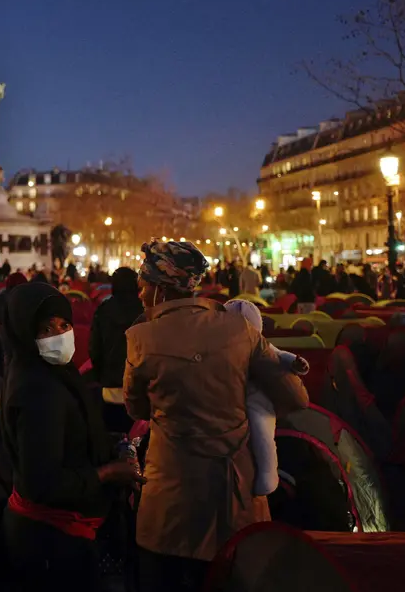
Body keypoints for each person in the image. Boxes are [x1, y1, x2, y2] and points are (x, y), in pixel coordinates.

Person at [125, 239, 308, 592]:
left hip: (171, 495)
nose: (140, 293)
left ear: (161, 289)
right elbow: (295, 396)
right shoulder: (241, 329)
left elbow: (137, 409)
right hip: (234, 490)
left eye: (143, 284)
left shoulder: (140, 337)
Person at [0, 281, 144, 589]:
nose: (59, 336)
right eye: (46, 329)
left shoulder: (37, 372)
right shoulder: (39, 391)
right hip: (51, 543)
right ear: (25, 332)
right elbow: (44, 483)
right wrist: (107, 473)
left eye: (64, 325)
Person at [224, 299, 311, 495]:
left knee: (262, 430)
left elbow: (280, 355)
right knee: (263, 433)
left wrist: (296, 364)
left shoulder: (256, 347)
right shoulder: (257, 346)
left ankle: (268, 474)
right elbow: (298, 397)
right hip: (248, 397)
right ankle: (267, 474)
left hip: (253, 398)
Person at [88, 266, 143, 433]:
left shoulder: (103, 311)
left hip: (110, 386)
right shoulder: (145, 312)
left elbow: (95, 348)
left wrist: (101, 375)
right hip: (140, 388)